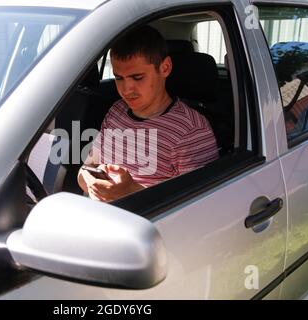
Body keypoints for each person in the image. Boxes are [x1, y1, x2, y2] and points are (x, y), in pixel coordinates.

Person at [77, 25, 219, 202]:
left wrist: (131, 191)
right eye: (119, 78)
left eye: (137, 77)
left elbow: (198, 206)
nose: (126, 90)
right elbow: (86, 169)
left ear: (165, 68)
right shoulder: (116, 111)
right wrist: (91, 182)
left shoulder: (192, 130)